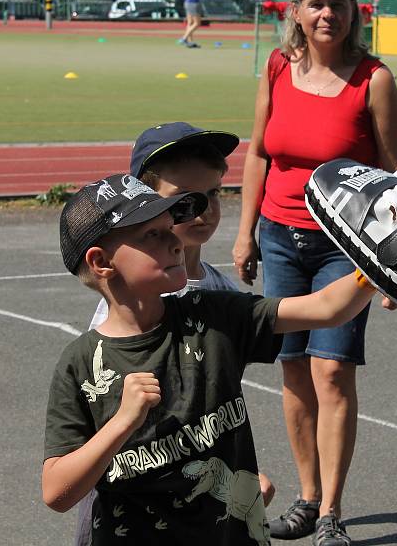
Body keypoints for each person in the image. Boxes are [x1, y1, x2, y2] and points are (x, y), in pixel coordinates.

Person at [43, 173, 377, 545]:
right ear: (102, 261)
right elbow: (57, 492)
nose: (174, 241)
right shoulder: (82, 364)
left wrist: (378, 263)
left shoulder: (213, 316)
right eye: (151, 235)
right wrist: (122, 422)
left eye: (170, 227)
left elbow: (327, 308)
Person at [232, 0, 397, 546]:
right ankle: (306, 499)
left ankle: (332, 511)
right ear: (296, 12)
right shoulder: (279, 66)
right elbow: (260, 153)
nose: (327, 13)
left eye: (338, 2)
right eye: (315, 2)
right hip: (279, 239)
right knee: (291, 370)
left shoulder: (373, 80)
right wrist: (245, 231)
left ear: (353, 11)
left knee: (331, 370)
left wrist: (393, 265)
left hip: (346, 246)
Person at [72, 122, 265, 546]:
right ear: (141, 203)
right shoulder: (128, 302)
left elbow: (218, 396)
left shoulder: (220, 289)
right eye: (183, 200)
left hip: (202, 507)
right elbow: (116, 421)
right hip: (133, 503)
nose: (203, 210)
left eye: (213, 194)